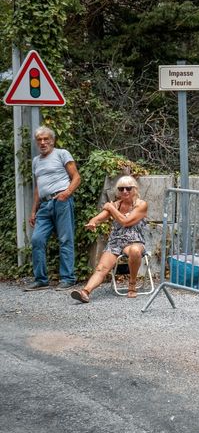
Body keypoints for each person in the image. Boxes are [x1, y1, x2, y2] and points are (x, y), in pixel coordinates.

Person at [70, 176, 148, 303]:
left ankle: (132, 285)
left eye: (128, 188)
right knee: (101, 268)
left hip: (135, 241)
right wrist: (93, 222)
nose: (124, 191)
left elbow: (126, 222)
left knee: (134, 250)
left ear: (135, 189)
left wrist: (111, 208)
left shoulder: (141, 205)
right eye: (121, 189)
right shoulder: (116, 205)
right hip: (115, 242)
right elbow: (100, 217)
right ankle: (85, 292)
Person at [25, 126, 81, 291]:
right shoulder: (36, 161)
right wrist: (34, 210)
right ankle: (41, 280)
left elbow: (76, 177)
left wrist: (67, 193)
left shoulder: (62, 154)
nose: (43, 142)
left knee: (65, 239)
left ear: (52, 140)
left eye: (46, 139)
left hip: (61, 201)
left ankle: (68, 278)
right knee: (37, 239)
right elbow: (38, 187)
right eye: (39, 140)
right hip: (44, 205)